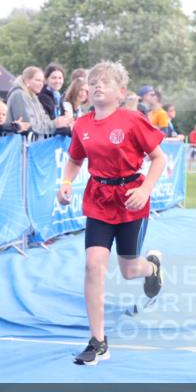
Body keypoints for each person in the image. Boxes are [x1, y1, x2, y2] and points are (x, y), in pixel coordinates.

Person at [57, 61, 167, 366]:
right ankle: (98, 341)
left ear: (120, 91)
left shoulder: (133, 120)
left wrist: (145, 189)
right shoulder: (82, 125)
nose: (96, 86)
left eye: (104, 82)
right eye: (92, 82)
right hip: (99, 199)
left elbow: (158, 158)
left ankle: (152, 268)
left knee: (129, 269)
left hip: (131, 198)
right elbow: (75, 161)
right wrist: (66, 182)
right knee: (94, 266)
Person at [5, 66, 68, 136]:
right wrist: (54, 124)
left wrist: (56, 122)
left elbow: (44, 119)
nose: (41, 84)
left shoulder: (33, 96)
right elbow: (27, 125)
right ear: (27, 81)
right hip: (20, 144)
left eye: (42, 81)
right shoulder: (19, 95)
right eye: (38, 80)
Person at [38, 64, 73, 136]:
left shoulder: (58, 97)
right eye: (54, 78)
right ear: (46, 79)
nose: (57, 81)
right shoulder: (42, 97)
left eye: (60, 78)